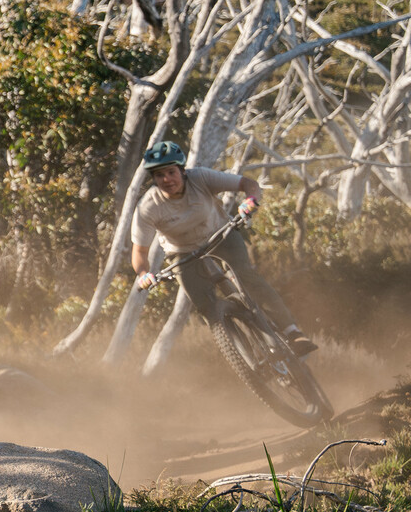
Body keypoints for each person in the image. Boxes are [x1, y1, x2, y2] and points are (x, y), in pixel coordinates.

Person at [130, 141, 315, 355]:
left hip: (221, 235)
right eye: (159, 175)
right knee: (205, 305)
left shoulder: (200, 177)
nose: (167, 180)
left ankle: (292, 332)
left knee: (247, 277)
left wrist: (250, 200)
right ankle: (241, 355)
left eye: (171, 172)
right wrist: (144, 274)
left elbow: (248, 183)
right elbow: (140, 252)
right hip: (182, 253)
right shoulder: (148, 207)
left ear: (182, 170)